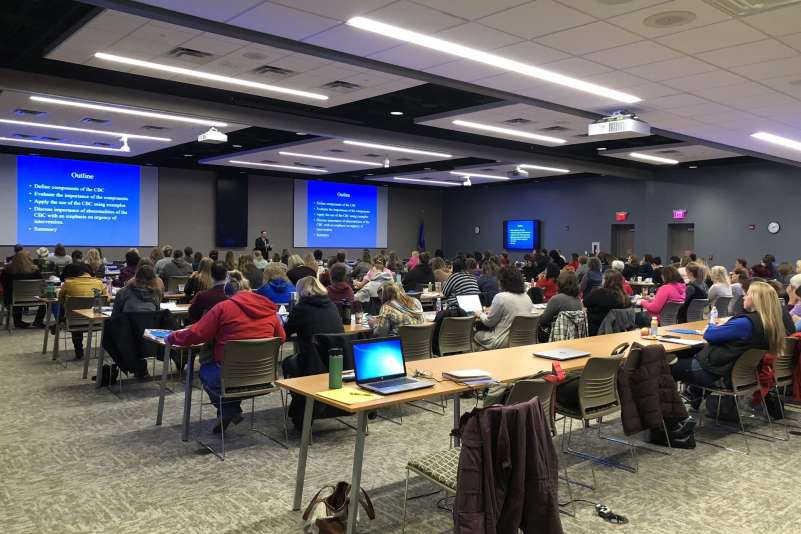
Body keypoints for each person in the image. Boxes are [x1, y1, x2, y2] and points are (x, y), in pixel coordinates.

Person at [167, 281, 286, 433]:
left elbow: (197, 334)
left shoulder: (223, 308)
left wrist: (172, 337)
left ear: (228, 294)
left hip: (228, 376)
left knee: (205, 371)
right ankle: (230, 410)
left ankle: (230, 409)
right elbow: (281, 338)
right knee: (226, 373)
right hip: (264, 377)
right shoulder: (269, 310)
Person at [672, 281, 790, 408]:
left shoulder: (745, 323)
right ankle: (690, 400)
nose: (743, 297)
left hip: (712, 372)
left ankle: (675, 414)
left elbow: (709, 335)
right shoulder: (770, 325)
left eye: (747, 294)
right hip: (736, 374)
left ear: (756, 299)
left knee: (665, 367)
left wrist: (711, 325)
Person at [282, 276, 344, 378]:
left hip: (312, 361)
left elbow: (285, 333)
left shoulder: (300, 309)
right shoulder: (332, 305)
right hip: (336, 360)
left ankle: (299, 393)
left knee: (287, 363)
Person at [473, 267, 532, 349]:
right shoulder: (527, 298)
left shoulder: (500, 297)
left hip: (501, 341)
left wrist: (480, 314)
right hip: (523, 341)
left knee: (474, 334)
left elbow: (489, 322)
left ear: (502, 281)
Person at [58, 262, 108, 359]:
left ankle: (79, 351)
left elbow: (60, 300)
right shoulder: (99, 283)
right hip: (97, 321)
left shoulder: (68, 283)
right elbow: (106, 298)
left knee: (73, 312)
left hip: (73, 321)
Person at [1, 251, 46, 328]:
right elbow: (41, 285)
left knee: (14, 293)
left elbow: (4, 285)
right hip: (34, 299)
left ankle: (17, 322)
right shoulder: (35, 272)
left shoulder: (7, 271)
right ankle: (38, 321)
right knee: (46, 300)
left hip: (12, 300)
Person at [583, 270, 631, 336]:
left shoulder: (599, 293)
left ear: (606, 281)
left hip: (597, 330)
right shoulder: (625, 296)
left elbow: (585, 302)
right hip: (620, 332)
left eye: (603, 278)